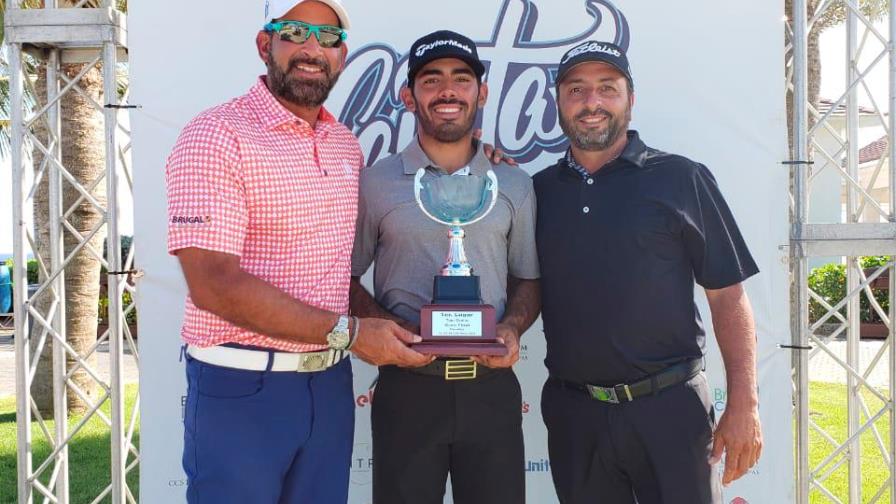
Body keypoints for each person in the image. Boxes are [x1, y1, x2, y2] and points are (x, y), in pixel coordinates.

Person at [164, 1, 430, 502]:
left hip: (330, 385)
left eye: (328, 38)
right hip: (241, 385)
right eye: (295, 32)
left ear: (342, 57)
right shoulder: (216, 134)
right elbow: (212, 284)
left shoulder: (343, 145)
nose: (312, 48)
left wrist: (485, 162)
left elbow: (338, 269)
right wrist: (348, 333)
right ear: (266, 44)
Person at [534, 40, 763, 504]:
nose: (591, 102)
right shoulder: (536, 192)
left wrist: (745, 403)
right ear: (558, 102)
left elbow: (727, 296)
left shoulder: (681, 178)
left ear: (630, 100)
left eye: (607, 89)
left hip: (671, 412)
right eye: (576, 89)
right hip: (576, 415)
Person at [350, 30, 541, 504]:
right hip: (407, 388)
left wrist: (512, 328)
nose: (447, 91)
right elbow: (345, 278)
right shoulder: (376, 183)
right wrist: (393, 331)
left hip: (491, 390)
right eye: (431, 80)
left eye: (461, 78)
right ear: (408, 97)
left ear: (482, 91)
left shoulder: (513, 184)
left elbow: (528, 279)